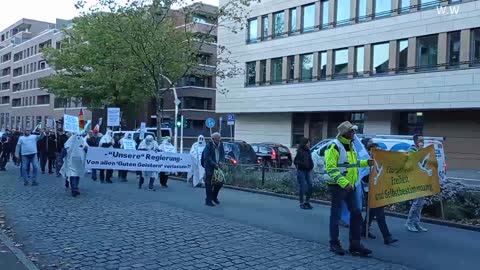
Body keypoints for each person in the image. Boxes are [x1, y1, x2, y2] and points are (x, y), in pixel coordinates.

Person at [325, 121, 373, 256]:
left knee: (356, 213)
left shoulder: (350, 145)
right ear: (346, 133)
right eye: (352, 131)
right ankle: (334, 243)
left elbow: (352, 164)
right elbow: (330, 168)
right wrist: (344, 183)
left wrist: (365, 162)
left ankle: (355, 244)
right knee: (336, 215)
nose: (354, 134)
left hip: (351, 185)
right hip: (338, 186)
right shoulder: (334, 146)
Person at [361, 143, 398, 245]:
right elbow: (363, 177)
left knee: (372, 212)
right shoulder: (366, 161)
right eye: (374, 150)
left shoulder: (379, 161)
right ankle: (387, 237)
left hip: (377, 190)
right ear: (369, 151)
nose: (377, 152)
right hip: (369, 191)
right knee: (380, 213)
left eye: (378, 150)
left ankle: (363, 230)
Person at [405, 134, 428, 233]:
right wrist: (420, 151)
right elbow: (412, 163)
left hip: (422, 179)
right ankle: (409, 222)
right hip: (414, 179)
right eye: (420, 140)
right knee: (417, 202)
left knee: (420, 203)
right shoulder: (411, 150)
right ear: (415, 142)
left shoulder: (423, 151)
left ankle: (416, 222)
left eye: (423, 140)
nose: (422, 142)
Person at [61, 129, 89, 197]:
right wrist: (62, 157)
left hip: (80, 160)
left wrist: (86, 149)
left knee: (78, 174)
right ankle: (74, 189)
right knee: (73, 174)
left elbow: (86, 147)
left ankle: (76, 187)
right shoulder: (71, 140)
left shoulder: (82, 140)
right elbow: (66, 148)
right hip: (72, 160)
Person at [203, 132, 225, 207]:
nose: (219, 140)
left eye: (219, 138)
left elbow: (222, 154)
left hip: (218, 166)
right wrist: (213, 163)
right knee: (209, 184)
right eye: (217, 139)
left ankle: (214, 197)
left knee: (219, 183)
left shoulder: (221, 145)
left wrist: (221, 161)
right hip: (209, 166)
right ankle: (208, 200)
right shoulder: (208, 145)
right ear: (213, 139)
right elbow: (207, 157)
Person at [294, 137, 314, 210]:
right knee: (302, 187)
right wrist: (302, 165)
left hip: (307, 171)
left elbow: (310, 159)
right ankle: (301, 203)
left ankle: (307, 202)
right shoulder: (300, 151)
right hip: (301, 171)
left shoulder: (308, 151)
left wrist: (311, 165)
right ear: (305, 144)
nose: (309, 144)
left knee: (310, 186)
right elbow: (295, 161)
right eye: (308, 143)